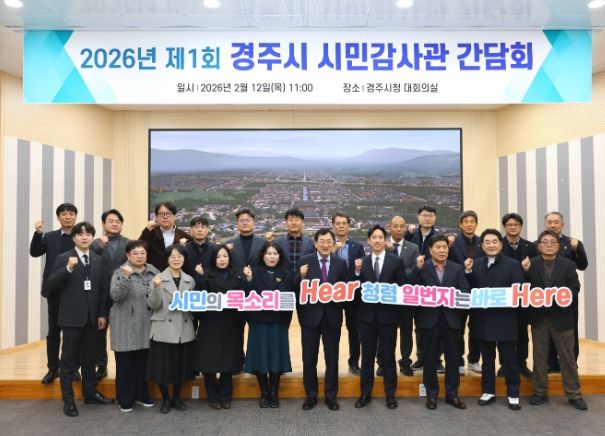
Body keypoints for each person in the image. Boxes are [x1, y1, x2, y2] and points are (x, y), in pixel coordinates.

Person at [46, 221, 114, 417]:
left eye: (88, 234)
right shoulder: (63, 258)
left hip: (93, 318)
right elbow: (50, 286)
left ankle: (90, 393)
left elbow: (103, 289)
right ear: (74, 238)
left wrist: (102, 314)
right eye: (80, 234)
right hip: (71, 319)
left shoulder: (98, 259)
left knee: (90, 358)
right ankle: (68, 400)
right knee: (68, 361)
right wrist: (67, 268)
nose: (84, 237)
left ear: (92, 237)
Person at [524, 230, 587, 411]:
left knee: (568, 358)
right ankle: (540, 392)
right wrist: (525, 272)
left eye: (553, 242)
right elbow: (525, 288)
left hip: (562, 317)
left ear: (558, 246)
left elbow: (575, 288)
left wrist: (561, 297)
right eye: (545, 242)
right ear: (539, 246)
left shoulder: (568, 265)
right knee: (539, 357)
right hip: (539, 319)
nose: (549, 245)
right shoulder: (531, 264)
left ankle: (574, 395)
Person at [464, 229, 524, 411]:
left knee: (509, 360)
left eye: (494, 241)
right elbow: (469, 290)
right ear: (482, 246)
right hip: (483, 320)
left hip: (505, 319)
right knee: (487, 360)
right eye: (487, 242)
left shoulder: (513, 265)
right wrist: (467, 271)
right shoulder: (476, 264)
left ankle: (513, 393)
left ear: (501, 244)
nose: (491, 245)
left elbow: (519, 289)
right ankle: (488, 391)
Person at [411, 233, 469, 410]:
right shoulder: (423, 267)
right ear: (430, 250)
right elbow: (411, 289)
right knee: (429, 359)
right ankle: (431, 395)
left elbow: (465, 290)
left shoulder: (457, 268)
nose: (442, 250)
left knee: (453, 359)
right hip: (429, 320)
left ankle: (452, 395)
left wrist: (452, 297)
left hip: (451, 320)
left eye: (444, 247)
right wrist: (416, 269)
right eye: (438, 247)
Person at [354, 225, 406, 410]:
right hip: (366, 318)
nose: (377, 240)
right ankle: (365, 393)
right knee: (367, 357)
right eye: (374, 237)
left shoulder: (395, 261)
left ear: (385, 240)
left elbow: (402, 286)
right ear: (368, 241)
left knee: (388, 357)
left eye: (380, 237)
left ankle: (390, 395)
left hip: (388, 317)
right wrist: (356, 273)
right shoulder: (361, 263)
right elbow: (355, 290)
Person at [296, 228, 348, 411]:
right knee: (309, 359)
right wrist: (300, 276)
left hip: (332, 318)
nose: (326, 245)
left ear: (333, 243)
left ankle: (331, 396)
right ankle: (310, 396)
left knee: (332, 359)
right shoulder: (305, 261)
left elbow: (346, 290)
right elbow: (295, 288)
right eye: (322, 241)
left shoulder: (341, 263)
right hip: (310, 318)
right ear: (315, 243)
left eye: (329, 242)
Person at [194, 245, 250, 410]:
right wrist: (200, 278)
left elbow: (246, 297)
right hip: (210, 324)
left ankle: (226, 396)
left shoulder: (238, 274)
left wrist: (248, 279)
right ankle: (213, 397)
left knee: (228, 362)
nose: (222, 259)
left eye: (225, 256)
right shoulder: (206, 274)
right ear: (213, 259)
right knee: (209, 362)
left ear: (229, 257)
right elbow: (199, 299)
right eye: (218, 256)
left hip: (231, 323)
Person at [29, 202, 78, 384]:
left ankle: (72, 368)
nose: (68, 217)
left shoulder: (81, 236)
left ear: (75, 216)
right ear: (58, 217)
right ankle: (53, 368)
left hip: (76, 290)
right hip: (55, 290)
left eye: (71, 213)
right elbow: (35, 252)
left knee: (73, 333)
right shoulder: (49, 237)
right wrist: (38, 233)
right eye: (64, 214)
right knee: (54, 331)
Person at [109, 240, 159, 412]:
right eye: (135, 253)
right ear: (128, 255)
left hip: (146, 324)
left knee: (143, 364)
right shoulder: (120, 272)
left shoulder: (153, 271)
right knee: (126, 365)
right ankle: (124, 399)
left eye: (142, 253)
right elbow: (116, 296)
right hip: (125, 325)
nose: (139, 256)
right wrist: (125, 277)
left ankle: (142, 395)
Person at [147, 244, 196, 414]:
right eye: (172, 256)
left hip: (183, 328)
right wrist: (157, 288)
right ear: (167, 259)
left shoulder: (190, 280)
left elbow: (192, 305)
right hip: (164, 329)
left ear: (184, 259)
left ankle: (176, 397)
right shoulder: (158, 278)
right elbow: (153, 305)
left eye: (180, 256)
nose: (176, 259)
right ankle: (166, 399)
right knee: (163, 367)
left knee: (180, 367)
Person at [244, 241, 293, 409]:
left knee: (276, 358)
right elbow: (245, 296)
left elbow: (289, 299)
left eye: (275, 254)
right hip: (258, 321)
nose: (272, 257)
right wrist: (249, 280)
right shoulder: (254, 272)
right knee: (260, 357)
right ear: (263, 255)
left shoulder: (287, 274)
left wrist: (286, 321)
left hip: (279, 322)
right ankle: (264, 392)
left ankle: (274, 392)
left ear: (280, 256)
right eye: (269, 253)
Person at [540, 211, 588, 371]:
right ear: (545, 224)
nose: (553, 225)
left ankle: (570, 363)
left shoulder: (572, 243)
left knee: (570, 330)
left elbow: (583, 265)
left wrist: (578, 249)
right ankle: (551, 363)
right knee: (548, 329)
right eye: (549, 222)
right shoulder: (537, 244)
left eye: (556, 222)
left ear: (562, 225)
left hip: (567, 297)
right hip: (545, 297)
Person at [91, 208, 130, 381]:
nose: (115, 224)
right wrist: (98, 246)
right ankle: (101, 365)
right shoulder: (94, 243)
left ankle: (124, 367)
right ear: (103, 224)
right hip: (100, 294)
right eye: (111, 221)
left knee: (122, 332)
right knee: (99, 333)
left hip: (122, 294)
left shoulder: (129, 244)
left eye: (118, 222)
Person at [380, 215, 419, 377]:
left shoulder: (413, 247)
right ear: (389, 226)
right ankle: (383, 363)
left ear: (405, 228)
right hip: (386, 298)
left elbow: (416, 269)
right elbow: (378, 269)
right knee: (385, 332)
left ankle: (405, 361)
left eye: (401, 226)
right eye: (395, 226)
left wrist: (395, 273)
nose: (398, 229)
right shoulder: (380, 245)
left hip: (405, 298)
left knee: (406, 332)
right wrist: (401, 272)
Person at [500, 212, 538, 377]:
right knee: (503, 332)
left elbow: (537, 272)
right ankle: (505, 365)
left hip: (523, 297)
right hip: (503, 296)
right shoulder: (498, 245)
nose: (513, 227)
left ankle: (522, 363)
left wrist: (528, 271)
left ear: (521, 227)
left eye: (516, 225)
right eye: (509, 225)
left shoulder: (531, 247)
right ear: (504, 227)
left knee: (522, 332)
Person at [404, 205, 441, 372]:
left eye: (431, 215)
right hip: (413, 285)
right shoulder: (410, 235)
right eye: (425, 215)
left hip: (433, 285)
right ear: (418, 217)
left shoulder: (439, 237)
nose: (427, 218)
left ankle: (436, 359)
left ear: (435, 218)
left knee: (436, 325)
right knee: (419, 325)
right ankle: (421, 358)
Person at [449, 210, 484, 374]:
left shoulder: (482, 242)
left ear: (476, 224)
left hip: (478, 290)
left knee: (477, 327)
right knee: (458, 328)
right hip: (459, 291)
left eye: (472, 221)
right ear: (460, 225)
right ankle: (458, 361)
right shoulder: (452, 243)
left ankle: (474, 360)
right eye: (466, 222)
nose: (469, 224)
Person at [331, 212, 365, 375]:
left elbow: (361, 270)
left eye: (344, 223)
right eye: (338, 223)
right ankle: (332, 363)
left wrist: (358, 269)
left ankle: (354, 362)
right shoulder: (327, 244)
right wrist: (333, 250)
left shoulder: (357, 246)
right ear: (333, 226)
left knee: (355, 330)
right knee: (332, 330)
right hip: (332, 294)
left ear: (348, 226)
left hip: (353, 293)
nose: (341, 226)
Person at [139, 201, 191, 271]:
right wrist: (147, 230)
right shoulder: (149, 233)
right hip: (153, 274)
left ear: (175, 216)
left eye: (168, 214)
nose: (165, 217)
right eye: (161, 214)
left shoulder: (185, 237)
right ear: (156, 217)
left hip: (176, 274)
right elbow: (138, 248)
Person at [274, 208, 315, 276]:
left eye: (297, 220)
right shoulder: (277, 243)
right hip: (283, 280)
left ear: (302, 222)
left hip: (304, 280)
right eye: (290, 220)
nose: (294, 223)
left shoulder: (311, 243)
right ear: (286, 223)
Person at [182, 216, 216, 290]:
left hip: (210, 290)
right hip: (188, 290)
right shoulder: (184, 249)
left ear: (207, 230)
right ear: (191, 230)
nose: (199, 230)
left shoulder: (215, 249)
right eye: (196, 227)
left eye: (203, 227)